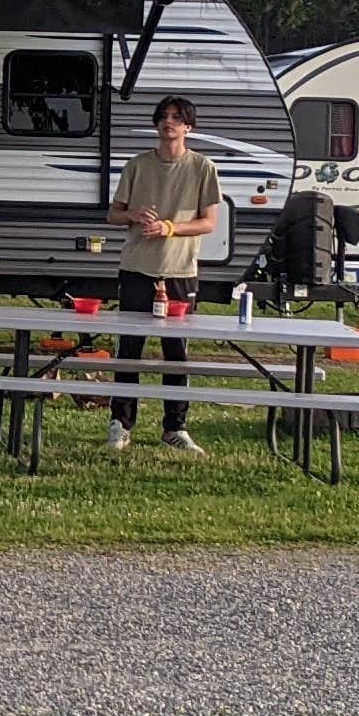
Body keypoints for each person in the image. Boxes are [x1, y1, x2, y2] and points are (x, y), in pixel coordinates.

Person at [104, 93, 223, 453]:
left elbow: (208, 222)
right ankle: (120, 424)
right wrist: (135, 216)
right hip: (137, 267)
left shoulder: (203, 167)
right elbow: (113, 214)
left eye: (176, 117)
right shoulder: (137, 165)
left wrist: (170, 228)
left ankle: (175, 427)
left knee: (177, 352)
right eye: (164, 116)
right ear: (157, 124)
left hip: (180, 270)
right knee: (130, 348)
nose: (168, 122)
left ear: (189, 126)